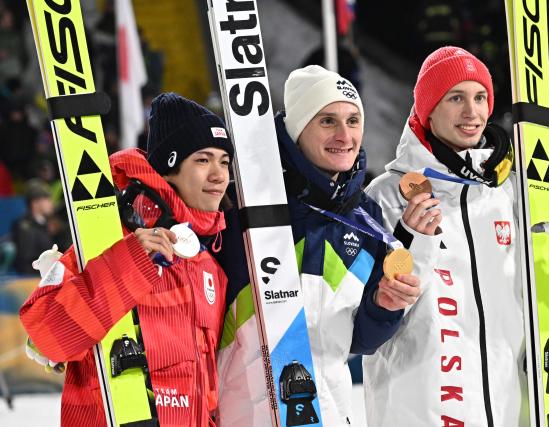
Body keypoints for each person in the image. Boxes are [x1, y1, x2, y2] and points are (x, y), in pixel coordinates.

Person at [362, 47, 549, 427]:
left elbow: (543, 302)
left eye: (480, 97)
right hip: (420, 413)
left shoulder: (513, 193)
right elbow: (365, 319)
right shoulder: (385, 196)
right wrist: (411, 241)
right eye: (456, 98)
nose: (472, 112)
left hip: (506, 410)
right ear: (427, 109)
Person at [217, 65, 425, 426]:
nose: (344, 135)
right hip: (246, 415)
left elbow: (356, 341)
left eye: (353, 120)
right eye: (327, 121)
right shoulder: (242, 203)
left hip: (330, 413)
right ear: (297, 130)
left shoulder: (365, 217)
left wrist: (383, 307)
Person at [20, 93, 234, 427]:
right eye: (203, 160)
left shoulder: (209, 264)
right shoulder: (106, 238)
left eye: (224, 161)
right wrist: (130, 263)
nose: (219, 175)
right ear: (169, 167)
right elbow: (47, 336)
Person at [11, 178, 55, 274]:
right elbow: (26, 263)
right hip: (32, 281)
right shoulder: (24, 227)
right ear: (35, 203)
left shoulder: (45, 223)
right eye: (47, 199)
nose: (51, 203)